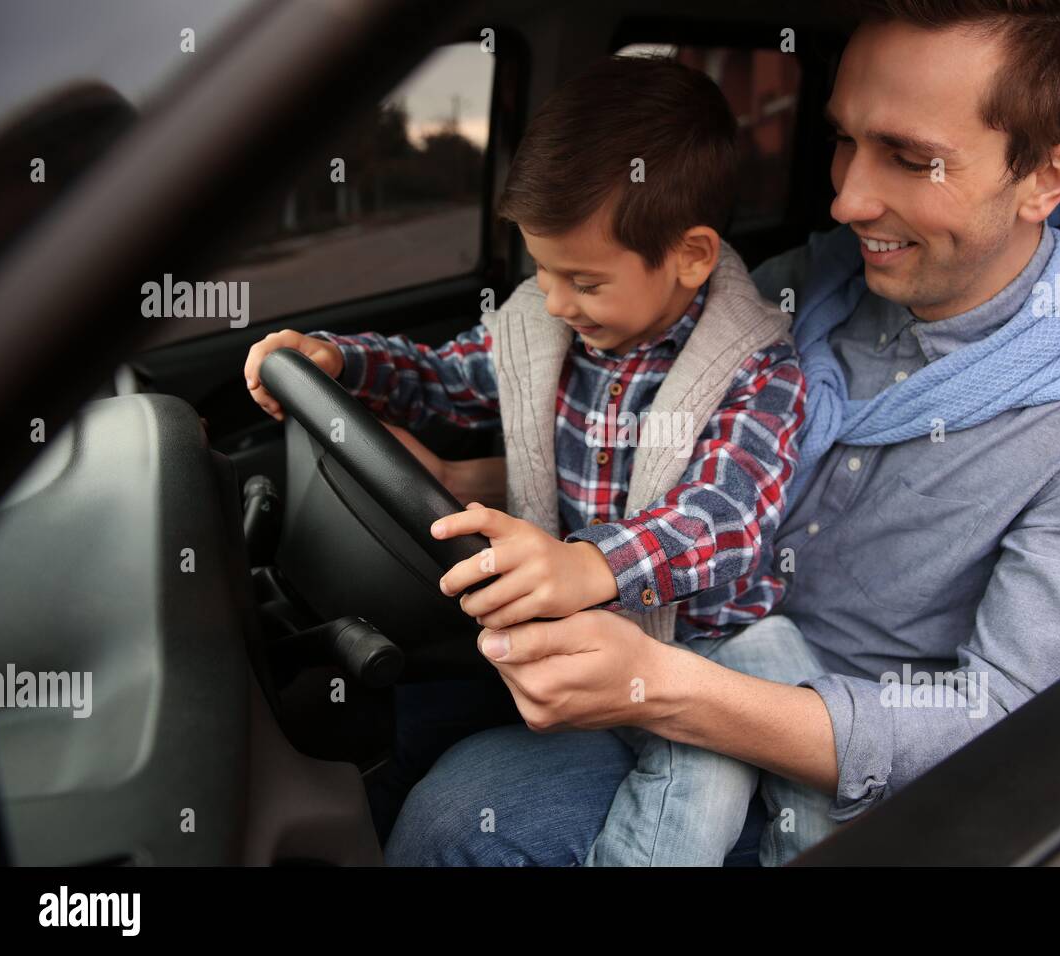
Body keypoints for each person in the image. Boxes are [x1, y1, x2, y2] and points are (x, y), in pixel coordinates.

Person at [382, 0, 1060, 867]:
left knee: (463, 817)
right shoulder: (807, 285)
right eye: (844, 140)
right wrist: (462, 482)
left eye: (909, 157)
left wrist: (671, 688)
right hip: (681, 642)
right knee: (395, 728)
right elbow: (657, 447)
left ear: (1047, 175)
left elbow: (1014, 727)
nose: (846, 198)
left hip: (861, 785)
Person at [243, 55, 830, 865]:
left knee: (686, 824)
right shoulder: (546, 328)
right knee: (385, 734)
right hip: (581, 626)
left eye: (582, 279)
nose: (554, 299)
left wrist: (592, 564)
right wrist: (343, 361)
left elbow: (723, 519)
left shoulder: (757, 368)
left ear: (691, 257)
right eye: (540, 270)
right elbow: (448, 381)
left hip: (714, 647)